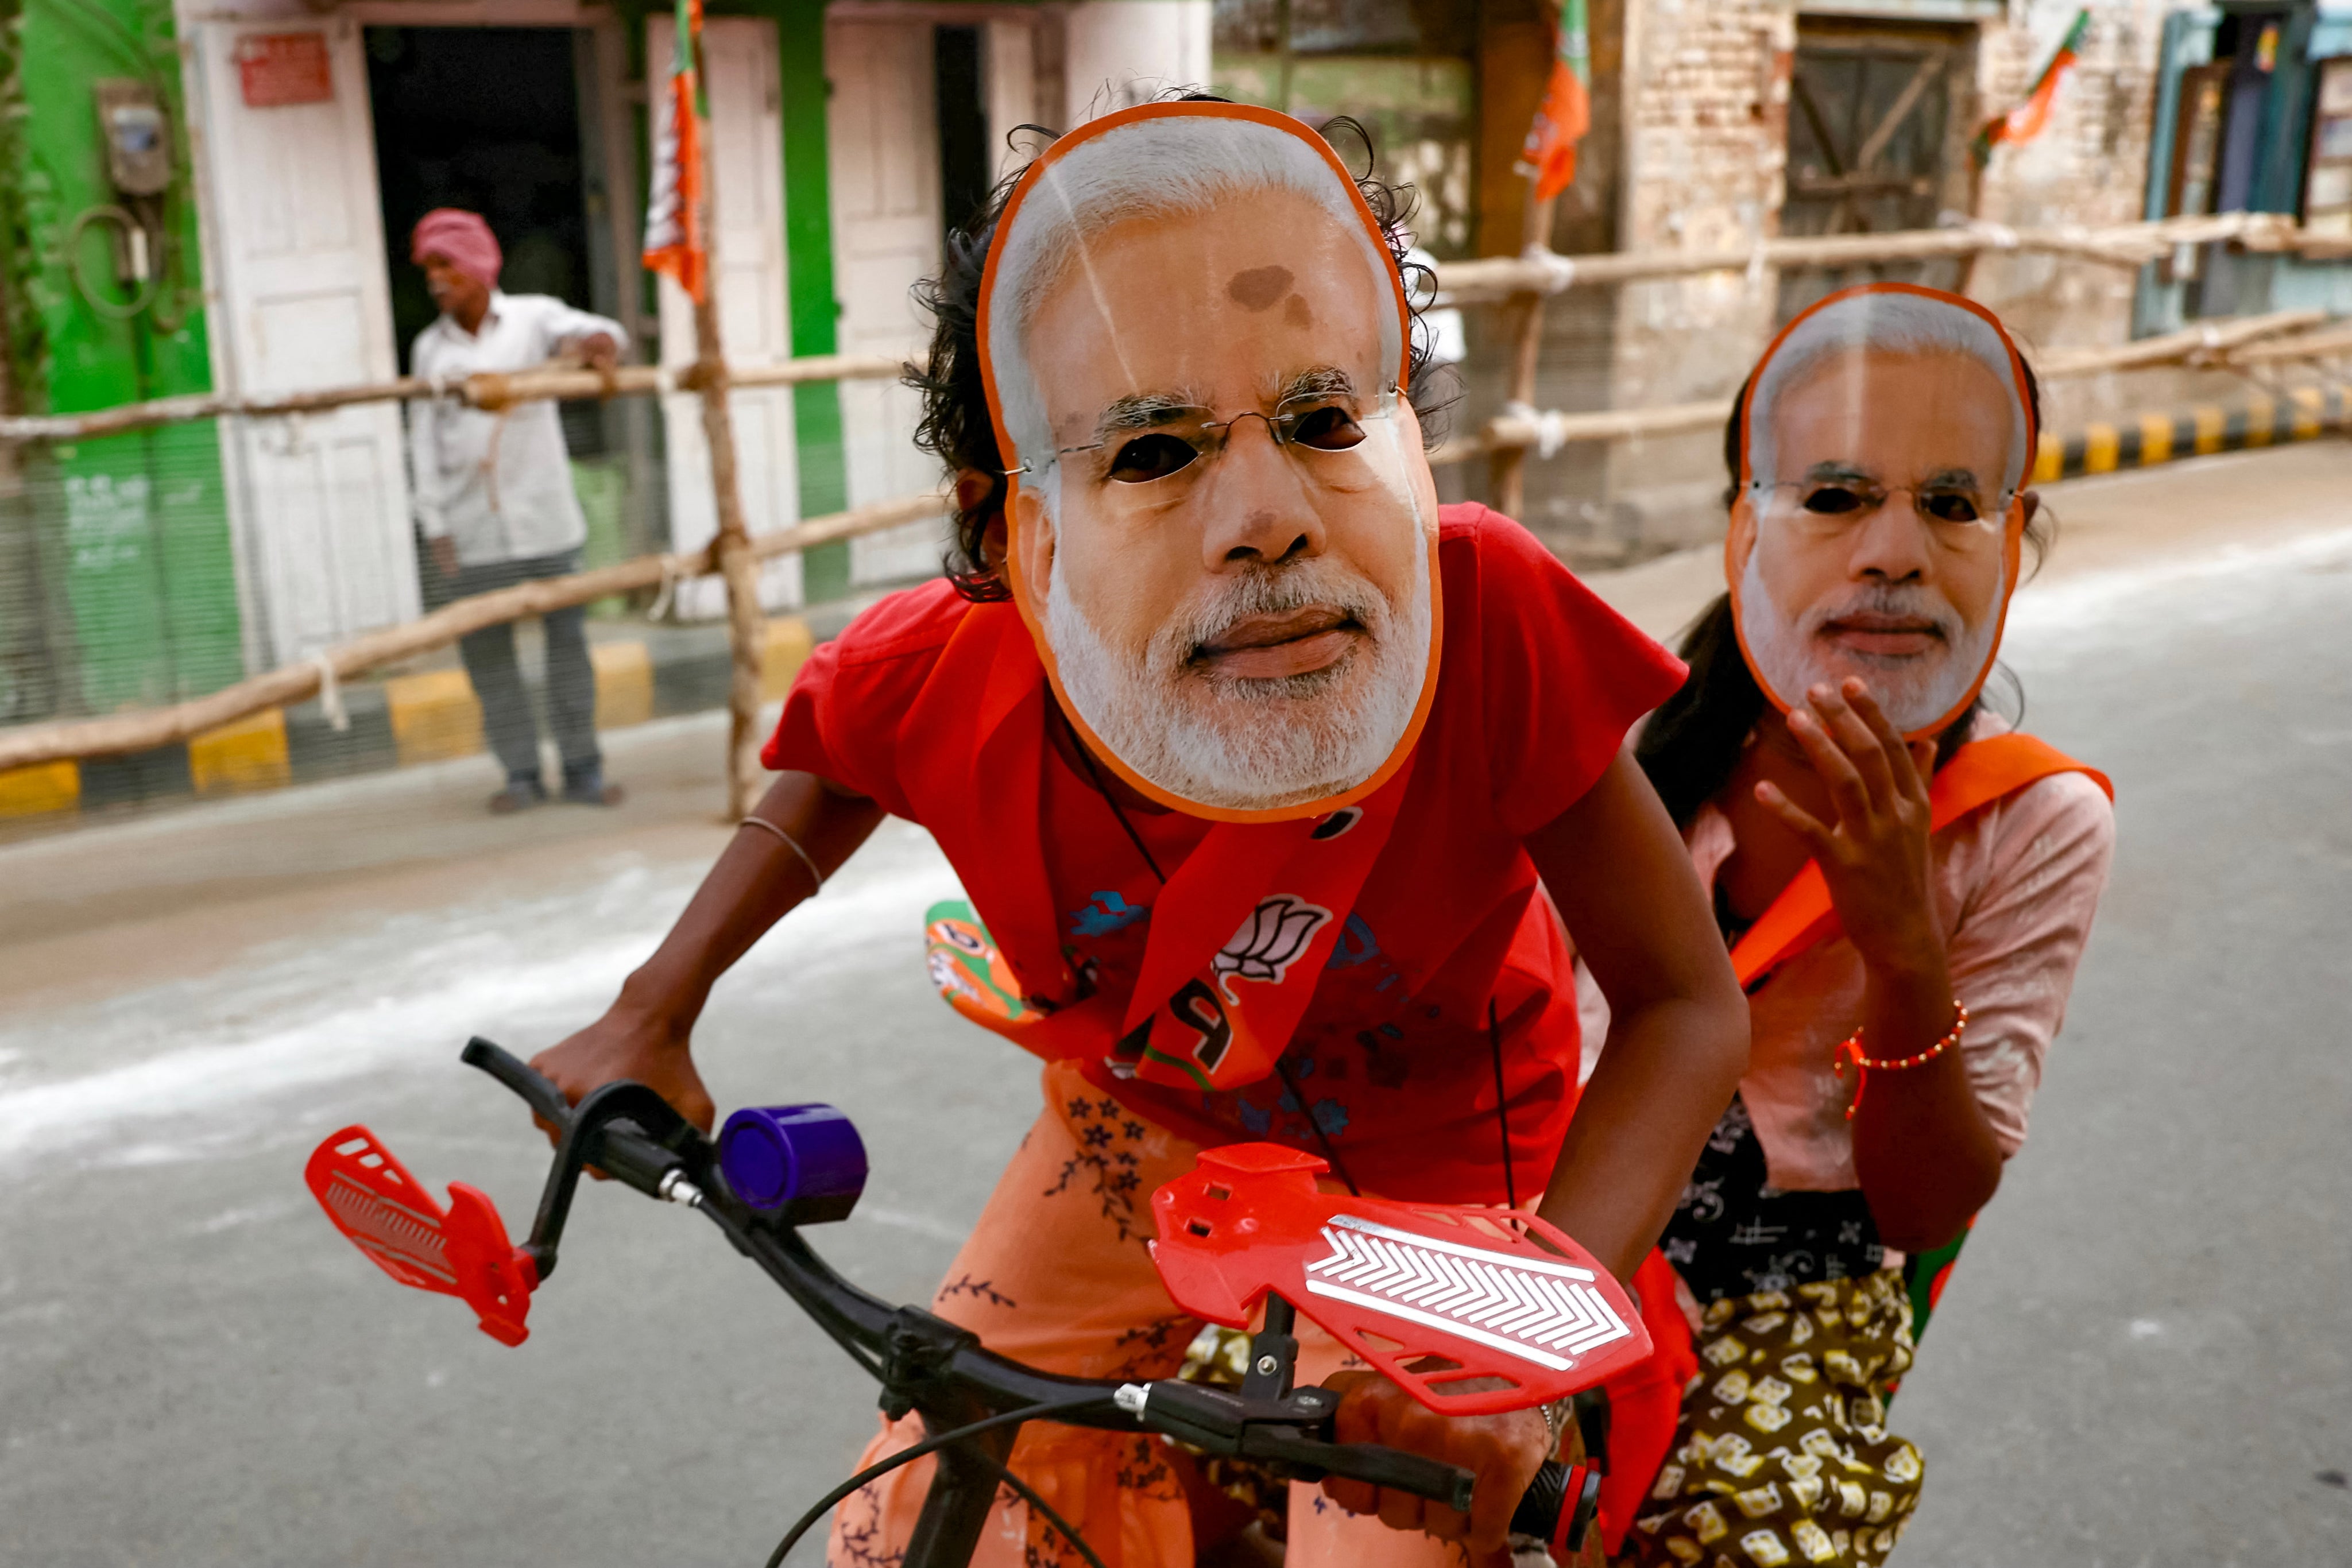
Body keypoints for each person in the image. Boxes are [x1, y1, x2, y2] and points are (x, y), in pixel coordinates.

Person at [531, 102, 1748, 1568]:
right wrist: (652, 1009)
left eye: (1319, 424)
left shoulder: (1476, 613)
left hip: (1445, 1180)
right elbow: (832, 764)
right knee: (923, 1497)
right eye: (1156, 449)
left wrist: (1522, 1360)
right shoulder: (944, 665)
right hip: (1142, 1132)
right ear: (1007, 530)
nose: (1269, 517)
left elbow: (1685, 1008)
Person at [1604, 286, 2117, 1567]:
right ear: (1745, 529)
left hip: (1789, 1302)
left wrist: (1902, 948)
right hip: (1560, 1230)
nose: (1891, 552)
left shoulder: (2029, 819)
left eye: (1949, 506)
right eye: (1833, 498)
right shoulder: (1621, 746)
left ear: (2011, 542)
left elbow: (1928, 1195)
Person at [407, 207, 629, 813]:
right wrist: (435, 525)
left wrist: (595, 344)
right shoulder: (430, 351)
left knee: (567, 650)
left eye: (445, 266)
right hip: (473, 532)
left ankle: (583, 768)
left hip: (547, 525)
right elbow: (423, 441)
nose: (435, 280)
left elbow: (603, 331)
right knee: (490, 662)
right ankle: (521, 774)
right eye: (428, 269)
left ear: (478, 267)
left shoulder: (534, 319)